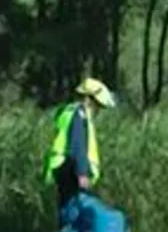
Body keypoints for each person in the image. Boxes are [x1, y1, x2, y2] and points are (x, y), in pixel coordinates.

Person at [43, 77, 116, 220]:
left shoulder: (68, 111)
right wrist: (82, 173)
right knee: (73, 214)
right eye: (98, 105)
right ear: (89, 100)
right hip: (71, 170)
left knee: (67, 211)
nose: (98, 110)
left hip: (63, 169)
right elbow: (78, 145)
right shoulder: (79, 115)